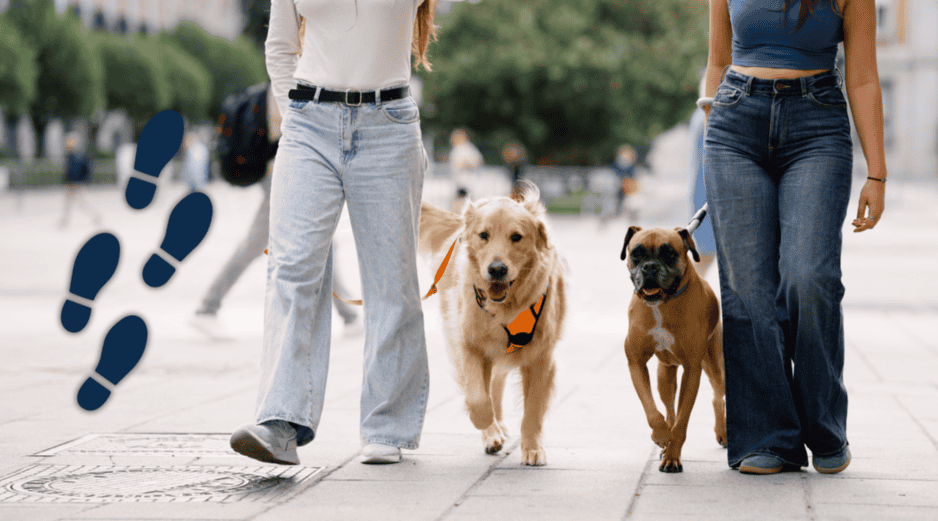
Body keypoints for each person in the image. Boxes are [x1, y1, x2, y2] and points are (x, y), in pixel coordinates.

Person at [229, 0, 438, 466]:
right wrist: (294, 114)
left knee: (391, 279)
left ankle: (387, 425)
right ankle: (280, 422)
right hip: (308, 124)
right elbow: (280, 47)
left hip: (388, 125)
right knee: (292, 265)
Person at [702, 0, 886, 475]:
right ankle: (770, 438)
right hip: (734, 125)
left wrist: (878, 173)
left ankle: (824, 427)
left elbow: (863, 76)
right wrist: (712, 143)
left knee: (809, 277)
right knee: (747, 289)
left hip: (817, 123)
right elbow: (717, 63)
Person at [189, 89, 360, 341]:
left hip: (284, 173)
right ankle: (207, 307)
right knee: (261, 243)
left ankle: (349, 316)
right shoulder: (289, 84)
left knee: (320, 242)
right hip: (283, 174)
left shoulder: (281, 84)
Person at [688, 72, 717, 277]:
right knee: (705, 256)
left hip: (703, 196)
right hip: (708, 197)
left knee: (705, 257)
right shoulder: (707, 118)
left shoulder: (700, 117)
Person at [59, 133, 101, 228]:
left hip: (75, 183)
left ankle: (94, 216)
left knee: (77, 202)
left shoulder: (77, 157)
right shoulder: (72, 156)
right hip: (73, 183)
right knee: (72, 202)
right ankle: (65, 220)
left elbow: (78, 171)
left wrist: (77, 182)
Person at [448, 128, 483, 211]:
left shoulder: (468, 148)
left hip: (467, 182)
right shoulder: (456, 149)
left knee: (466, 202)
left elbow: (476, 162)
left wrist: (465, 164)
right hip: (459, 181)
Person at [611, 144, 638, 220]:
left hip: (628, 185)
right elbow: (616, 172)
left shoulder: (630, 165)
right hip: (619, 185)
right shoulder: (618, 164)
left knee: (630, 200)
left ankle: (630, 214)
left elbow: (632, 174)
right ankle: (617, 213)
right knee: (619, 199)